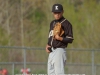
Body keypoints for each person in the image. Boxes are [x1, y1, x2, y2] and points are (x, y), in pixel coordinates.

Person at [46, 4, 74, 75]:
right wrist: (48, 45)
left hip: (59, 50)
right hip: (51, 51)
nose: (57, 14)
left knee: (59, 73)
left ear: (62, 12)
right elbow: (50, 36)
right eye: (55, 13)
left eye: (59, 12)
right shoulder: (52, 23)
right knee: (50, 72)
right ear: (53, 13)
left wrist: (60, 38)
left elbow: (70, 39)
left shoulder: (67, 24)